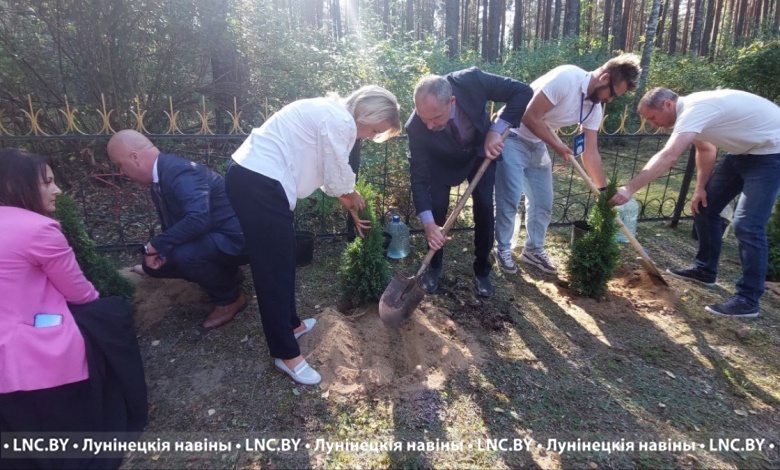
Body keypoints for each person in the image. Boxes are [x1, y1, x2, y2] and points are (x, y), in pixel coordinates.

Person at [225, 85, 402, 385]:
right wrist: (352, 194)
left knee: (283, 260)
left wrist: (349, 200)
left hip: (258, 181)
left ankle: (291, 325)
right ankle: (285, 353)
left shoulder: (330, 114)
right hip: (259, 183)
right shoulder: (340, 121)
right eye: (374, 130)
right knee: (273, 271)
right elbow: (337, 176)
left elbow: (326, 173)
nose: (371, 138)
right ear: (366, 114)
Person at [0, 149, 147, 470]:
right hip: (28, 353)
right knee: (110, 314)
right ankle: (122, 405)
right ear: (15, 185)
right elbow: (81, 293)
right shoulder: (38, 229)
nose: (58, 190)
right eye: (48, 182)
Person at [610, 87, 780, 318]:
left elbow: (669, 156)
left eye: (652, 117)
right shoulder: (691, 113)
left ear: (667, 105)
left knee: (747, 226)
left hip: (771, 153)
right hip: (741, 153)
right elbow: (705, 148)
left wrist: (629, 188)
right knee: (704, 206)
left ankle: (748, 299)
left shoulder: (695, 109)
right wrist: (700, 188)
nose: (652, 124)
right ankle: (704, 269)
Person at [493, 53, 641, 275]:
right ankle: (502, 249)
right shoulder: (567, 78)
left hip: (537, 143)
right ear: (604, 77)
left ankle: (533, 250)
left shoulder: (594, 107)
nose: (610, 100)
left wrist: (602, 190)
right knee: (510, 198)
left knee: (543, 201)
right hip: (511, 136)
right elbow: (529, 116)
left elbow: (590, 151)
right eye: (612, 93)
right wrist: (557, 145)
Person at [407, 68, 533, 298]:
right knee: (435, 209)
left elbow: (523, 91)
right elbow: (418, 177)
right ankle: (433, 268)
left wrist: (497, 130)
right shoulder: (416, 127)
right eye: (424, 118)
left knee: (485, 206)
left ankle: (482, 270)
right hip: (441, 164)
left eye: (435, 118)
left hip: (479, 152)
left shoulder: (472, 81)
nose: (429, 125)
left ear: (451, 101)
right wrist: (427, 224)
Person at [107, 130, 248, 329]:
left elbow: (198, 219)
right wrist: (160, 252)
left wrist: (155, 246)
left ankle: (230, 299)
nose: (120, 172)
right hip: (214, 238)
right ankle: (229, 275)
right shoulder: (161, 176)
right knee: (153, 266)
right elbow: (175, 226)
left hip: (237, 240)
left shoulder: (180, 172)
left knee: (184, 255)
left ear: (135, 157)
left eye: (119, 165)